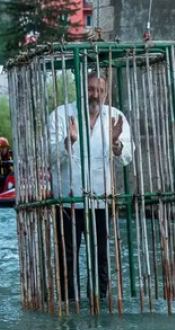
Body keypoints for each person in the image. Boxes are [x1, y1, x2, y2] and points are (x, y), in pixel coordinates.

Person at [48, 72, 133, 301]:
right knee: (68, 256)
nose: (94, 95)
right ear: (80, 89)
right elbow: (49, 156)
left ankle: (99, 301)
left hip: (101, 197)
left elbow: (126, 156)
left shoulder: (115, 116)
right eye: (90, 89)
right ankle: (70, 302)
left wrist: (116, 144)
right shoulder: (61, 115)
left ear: (106, 92)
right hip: (69, 197)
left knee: (101, 256)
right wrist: (69, 141)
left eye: (99, 90)